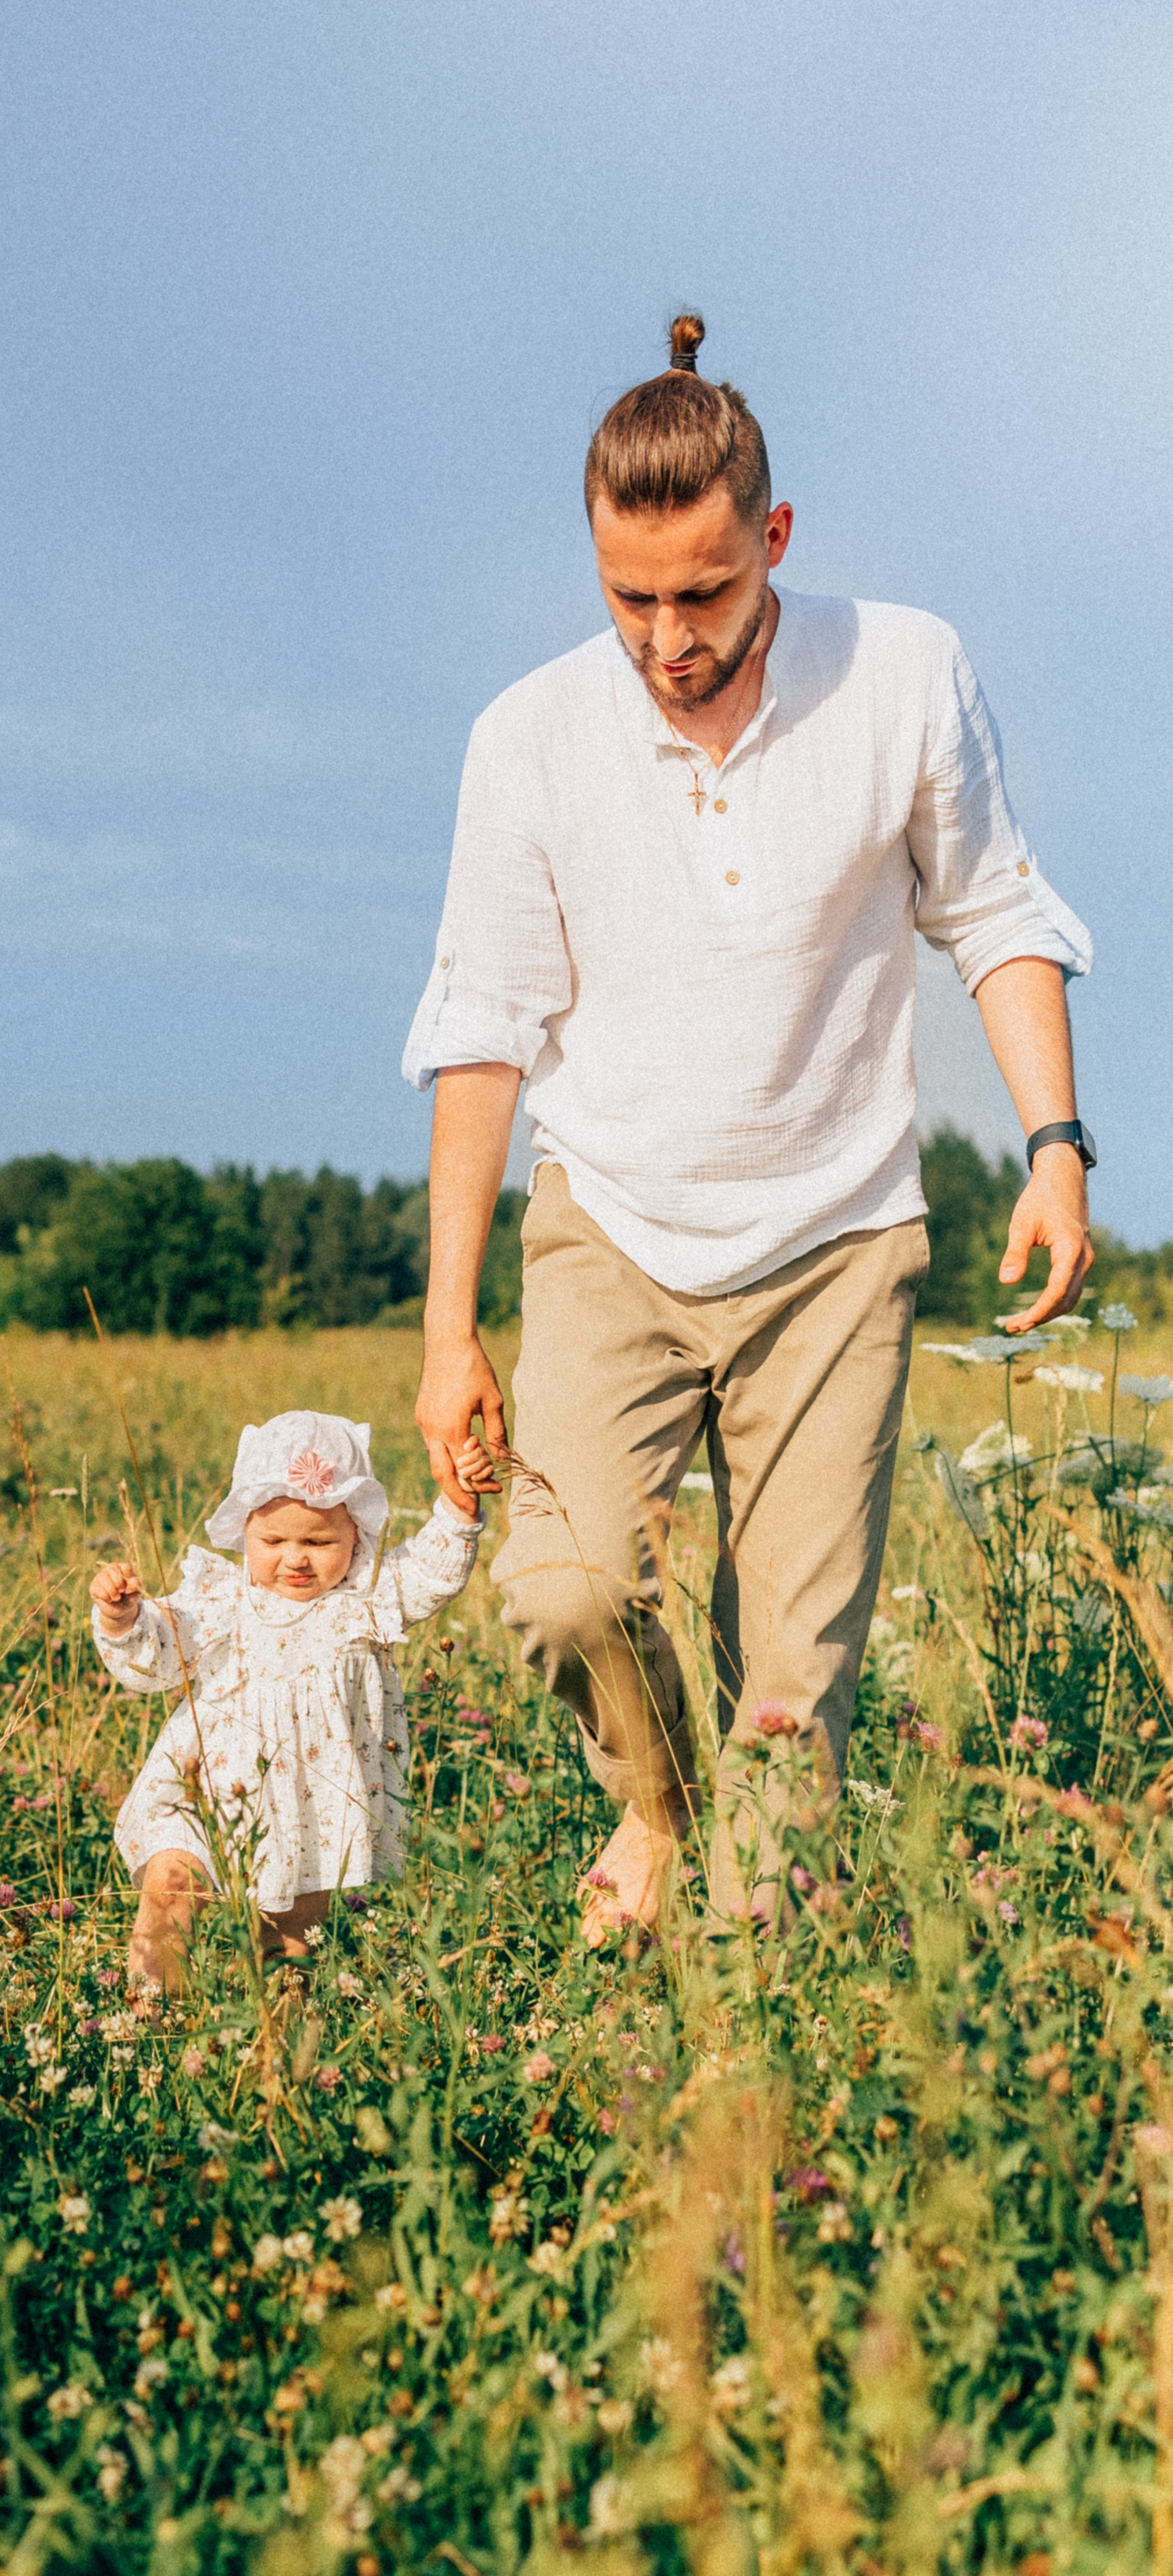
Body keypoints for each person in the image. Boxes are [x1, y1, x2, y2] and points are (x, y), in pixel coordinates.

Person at [407, 313, 1093, 1938]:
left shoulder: (904, 671)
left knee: (788, 1692)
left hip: (835, 1243)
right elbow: (481, 1037)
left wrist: (1053, 1145)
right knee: (560, 1595)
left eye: (702, 593)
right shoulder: (525, 741)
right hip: (611, 1233)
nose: (663, 635)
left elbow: (993, 913)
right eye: (626, 595)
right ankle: (655, 1805)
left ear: (770, 539)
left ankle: (748, 2059)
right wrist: (449, 1332)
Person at [90, 1408, 498, 1994]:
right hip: (205, 1792)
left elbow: (433, 1570)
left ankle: (270, 2050)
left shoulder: (368, 1596)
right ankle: (151, 2012)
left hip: (313, 1812)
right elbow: (158, 1651)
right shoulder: (224, 1600)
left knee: (284, 1944)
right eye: (273, 1540)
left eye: (318, 1540)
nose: (296, 1558)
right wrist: (123, 1616)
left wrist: (458, 1505)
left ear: (357, 1532)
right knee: (172, 1889)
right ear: (244, 1534)